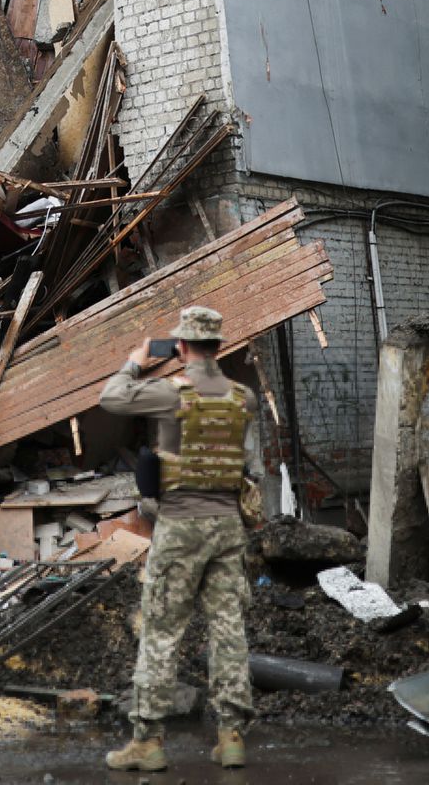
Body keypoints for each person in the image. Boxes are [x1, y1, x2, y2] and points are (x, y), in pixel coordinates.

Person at [99, 305, 254, 771]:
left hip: (181, 525)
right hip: (228, 523)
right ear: (219, 346)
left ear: (182, 347)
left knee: (162, 631)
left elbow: (112, 397)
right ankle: (231, 738)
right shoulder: (241, 396)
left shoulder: (171, 393)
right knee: (228, 629)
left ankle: (147, 742)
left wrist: (136, 360)